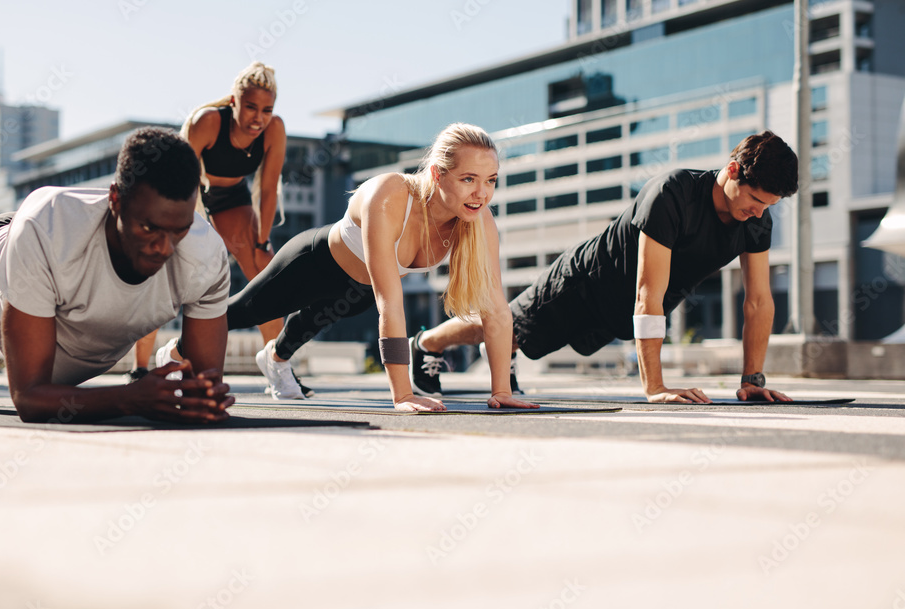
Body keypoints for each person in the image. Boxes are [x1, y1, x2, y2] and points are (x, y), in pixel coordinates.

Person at [412, 130, 799, 404]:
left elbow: (758, 302)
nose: (760, 213)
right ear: (732, 171)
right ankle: (427, 344)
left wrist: (752, 380)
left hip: (622, 309)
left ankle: (493, 352)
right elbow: (649, 290)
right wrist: (656, 387)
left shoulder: (754, 222)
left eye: (769, 206)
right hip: (585, 283)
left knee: (511, 334)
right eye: (754, 199)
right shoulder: (673, 194)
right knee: (507, 327)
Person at [0, 127, 233, 423]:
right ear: (115, 199)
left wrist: (200, 399)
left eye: (180, 230)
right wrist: (130, 399)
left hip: (44, 248)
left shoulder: (205, 256)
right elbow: (29, 399)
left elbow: (205, 386)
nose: (164, 247)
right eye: (148, 228)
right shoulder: (46, 234)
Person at [227, 123, 539, 412]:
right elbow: (390, 302)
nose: (481, 193)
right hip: (314, 264)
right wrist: (402, 394)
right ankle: (177, 353)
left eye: (491, 180)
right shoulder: (391, 195)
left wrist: (501, 391)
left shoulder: (478, 219)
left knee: (306, 326)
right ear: (438, 174)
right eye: (469, 179)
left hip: (359, 291)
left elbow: (496, 308)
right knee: (240, 312)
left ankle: (274, 360)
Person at [180, 61, 286, 347]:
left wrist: (262, 244)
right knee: (167, 271)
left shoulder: (274, 129)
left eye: (267, 110)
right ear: (233, 101)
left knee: (267, 281)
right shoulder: (209, 121)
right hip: (190, 192)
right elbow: (183, 178)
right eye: (250, 107)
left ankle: (277, 364)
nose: (258, 119)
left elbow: (267, 189)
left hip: (232, 198)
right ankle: (142, 366)